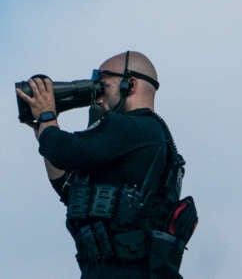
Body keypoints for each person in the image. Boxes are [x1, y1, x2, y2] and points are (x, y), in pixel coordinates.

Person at [16, 51, 198, 279]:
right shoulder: (144, 136)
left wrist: (47, 119)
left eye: (103, 87)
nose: (98, 98)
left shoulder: (133, 128)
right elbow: (68, 188)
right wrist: (44, 130)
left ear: (129, 84)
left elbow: (65, 151)